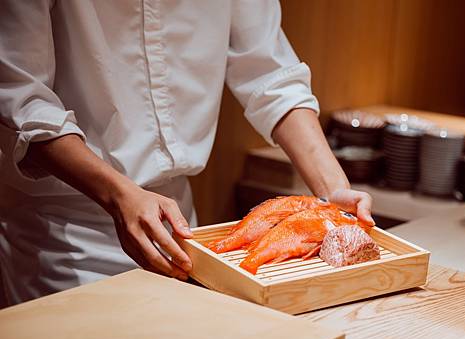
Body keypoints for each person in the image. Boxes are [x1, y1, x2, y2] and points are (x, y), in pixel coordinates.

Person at [0, 1, 374, 305]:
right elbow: (22, 100)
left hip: (179, 226)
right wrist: (118, 195)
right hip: (63, 236)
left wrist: (332, 194)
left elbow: (271, 75)